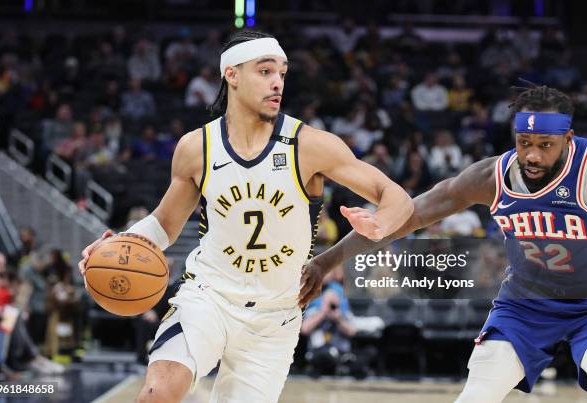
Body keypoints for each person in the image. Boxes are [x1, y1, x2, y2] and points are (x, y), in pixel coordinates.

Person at [78, 29, 413, 403]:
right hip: (209, 297)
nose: (277, 83)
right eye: (265, 71)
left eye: (283, 74)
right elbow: (164, 224)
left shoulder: (310, 145)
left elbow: (397, 197)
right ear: (231, 75)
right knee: (157, 393)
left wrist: (381, 222)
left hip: (276, 316)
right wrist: (124, 243)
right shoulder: (196, 147)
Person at [300, 84, 587, 402]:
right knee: (479, 390)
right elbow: (407, 217)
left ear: (568, 139)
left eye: (545, 145)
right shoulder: (491, 178)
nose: (532, 155)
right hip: (525, 305)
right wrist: (324, 262)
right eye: (524, 143)